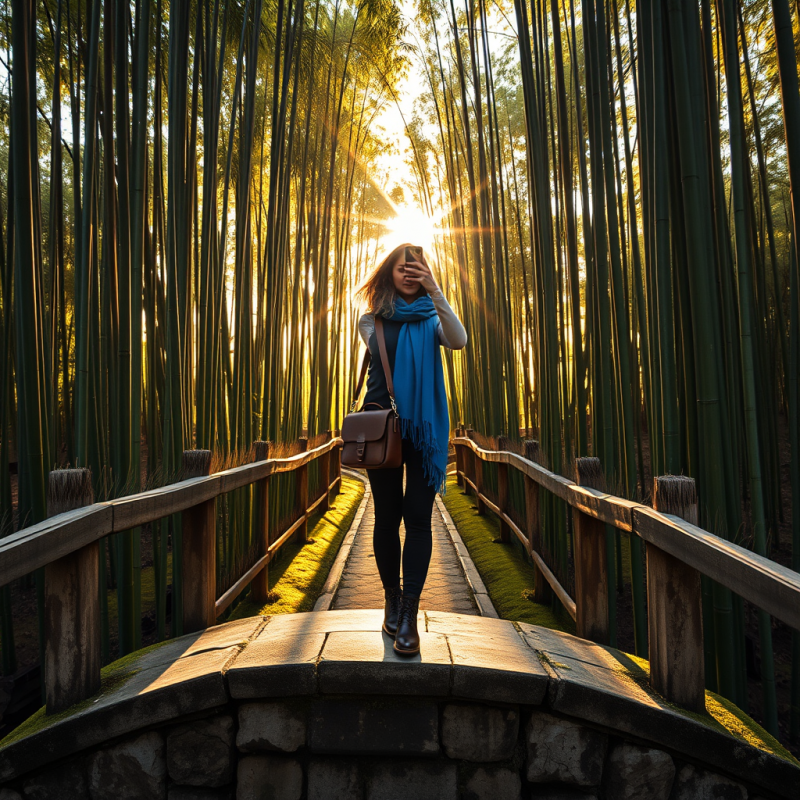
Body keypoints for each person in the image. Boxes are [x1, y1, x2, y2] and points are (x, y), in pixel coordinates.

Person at [355, 242, 467, 655]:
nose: (409, 273)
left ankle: (409, 614)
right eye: (403, 267)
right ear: (389, 272)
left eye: (417, 267)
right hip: (384, 427)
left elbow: (459, 340)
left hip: (424, 430)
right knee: (386, 517)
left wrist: (436, 291)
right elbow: (386, 359)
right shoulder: (371, 320)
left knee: (419, 517)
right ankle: (390, 596)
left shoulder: (433, 319)